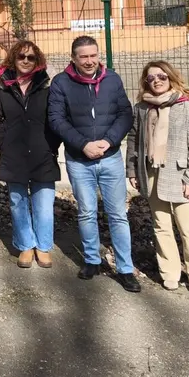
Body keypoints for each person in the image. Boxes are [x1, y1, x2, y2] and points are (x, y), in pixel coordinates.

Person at [48, 35, 141, 293]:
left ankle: (124, 268)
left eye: (93, 55)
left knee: (118, 215)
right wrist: (83, 145)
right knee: (87, 212)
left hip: (110, 157)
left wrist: (108, 141)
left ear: (99, 55)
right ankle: (92, 259)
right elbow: (56, 119)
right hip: (79, 160)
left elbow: (125, 114)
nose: (89, 61)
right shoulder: (61, 83)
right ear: (73, 59)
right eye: (83, 57)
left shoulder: (112, 79)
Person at [127, 60, 189, 293]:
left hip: (180, 173)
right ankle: (170, 272)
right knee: (161, 225)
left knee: (187, 226)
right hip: (151, 172)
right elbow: (134, 140)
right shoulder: (141, 108)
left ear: (171, 78)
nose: (156, 81)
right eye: (151, 78)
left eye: (162, 77)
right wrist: (132, 170)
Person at [0, 40, 61, 269]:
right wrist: (4, 141)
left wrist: (51, 145)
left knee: (43, 203)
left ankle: (43, 246)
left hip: (43, 152)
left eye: (30, 57)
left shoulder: (47, 86)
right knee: (17, 202)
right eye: (21, 56)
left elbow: (56, 118)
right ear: (13, 59)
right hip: (14, 154)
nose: (25, 61)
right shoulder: (2, 87)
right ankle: (25, 245)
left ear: (37, 61)